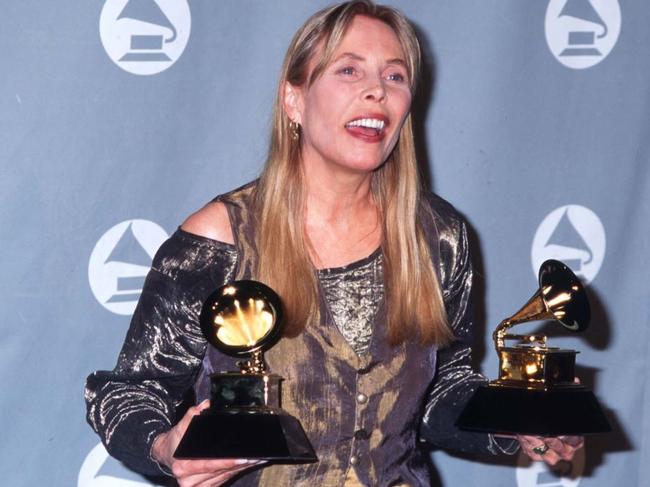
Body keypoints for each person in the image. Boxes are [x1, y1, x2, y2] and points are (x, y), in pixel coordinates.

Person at [85, 2, 583, 486]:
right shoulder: (219, 237)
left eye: (394, 76)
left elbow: (440, 393)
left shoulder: (439, 236)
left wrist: (514, 417)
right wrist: (163, 445)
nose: (376, 92)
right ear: (294, 100)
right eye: (348, 71)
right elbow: (131, 393)